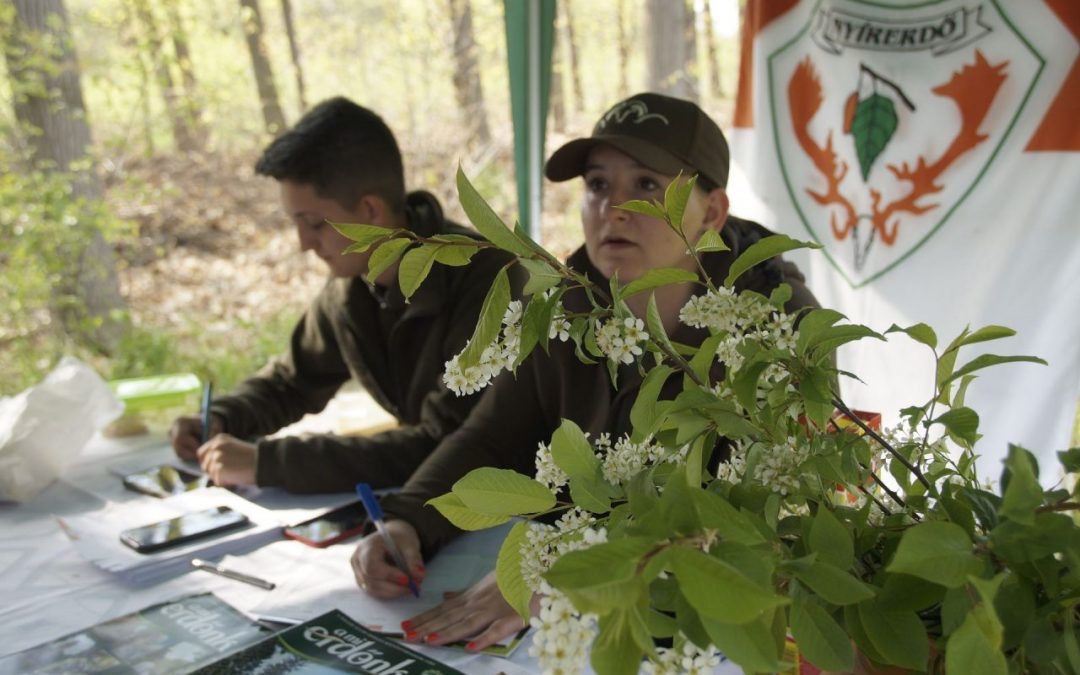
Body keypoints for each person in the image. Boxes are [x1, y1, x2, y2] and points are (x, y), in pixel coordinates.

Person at [349, 93, 823, 647]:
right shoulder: (569, 303)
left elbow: (759, 511)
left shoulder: (780, 321)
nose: (613, 208)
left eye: (647, 185)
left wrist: (566, 573)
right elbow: (492, 435)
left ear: (712, 213)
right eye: (597, 185)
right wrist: (407, 519)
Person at [169, 97, 517, 494]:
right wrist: (221, 417)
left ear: (371, 210)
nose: (303, 244)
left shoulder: (490, 285)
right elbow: (294, 380)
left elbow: (445, 445)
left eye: (314, 223)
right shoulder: (353, 283)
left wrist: (272, 464)